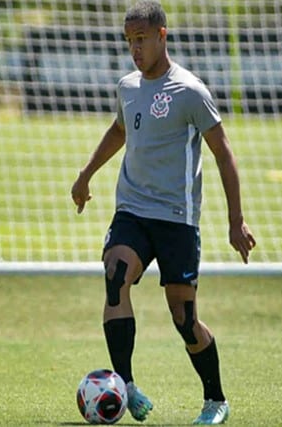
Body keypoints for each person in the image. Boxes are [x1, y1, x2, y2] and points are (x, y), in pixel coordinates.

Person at [71, 1, 256, 425]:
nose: (135, 49)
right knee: (116, 276)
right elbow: (119, 129)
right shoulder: (128, 86)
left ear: (162, 36)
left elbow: (224, 154)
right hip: (132, 209)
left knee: (183, 317)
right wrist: (86, 175)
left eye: (141, 40)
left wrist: (235, 221)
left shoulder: (189, 91)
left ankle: (215, 400)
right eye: (129, 41)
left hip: (176, 216)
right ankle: (127, 384)